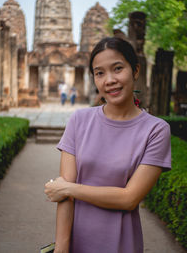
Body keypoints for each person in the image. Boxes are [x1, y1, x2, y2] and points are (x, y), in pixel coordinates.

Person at [45, 37, 171, 253]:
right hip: (75, 242)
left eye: (118, 68)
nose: (109, 80)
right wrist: (62, 247)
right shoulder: (79, 120)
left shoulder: (156, 130)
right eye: (99, 73)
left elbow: (129, 198)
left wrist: (68, 188)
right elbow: (64, 199)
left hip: (121, 243)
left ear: (136, 71)